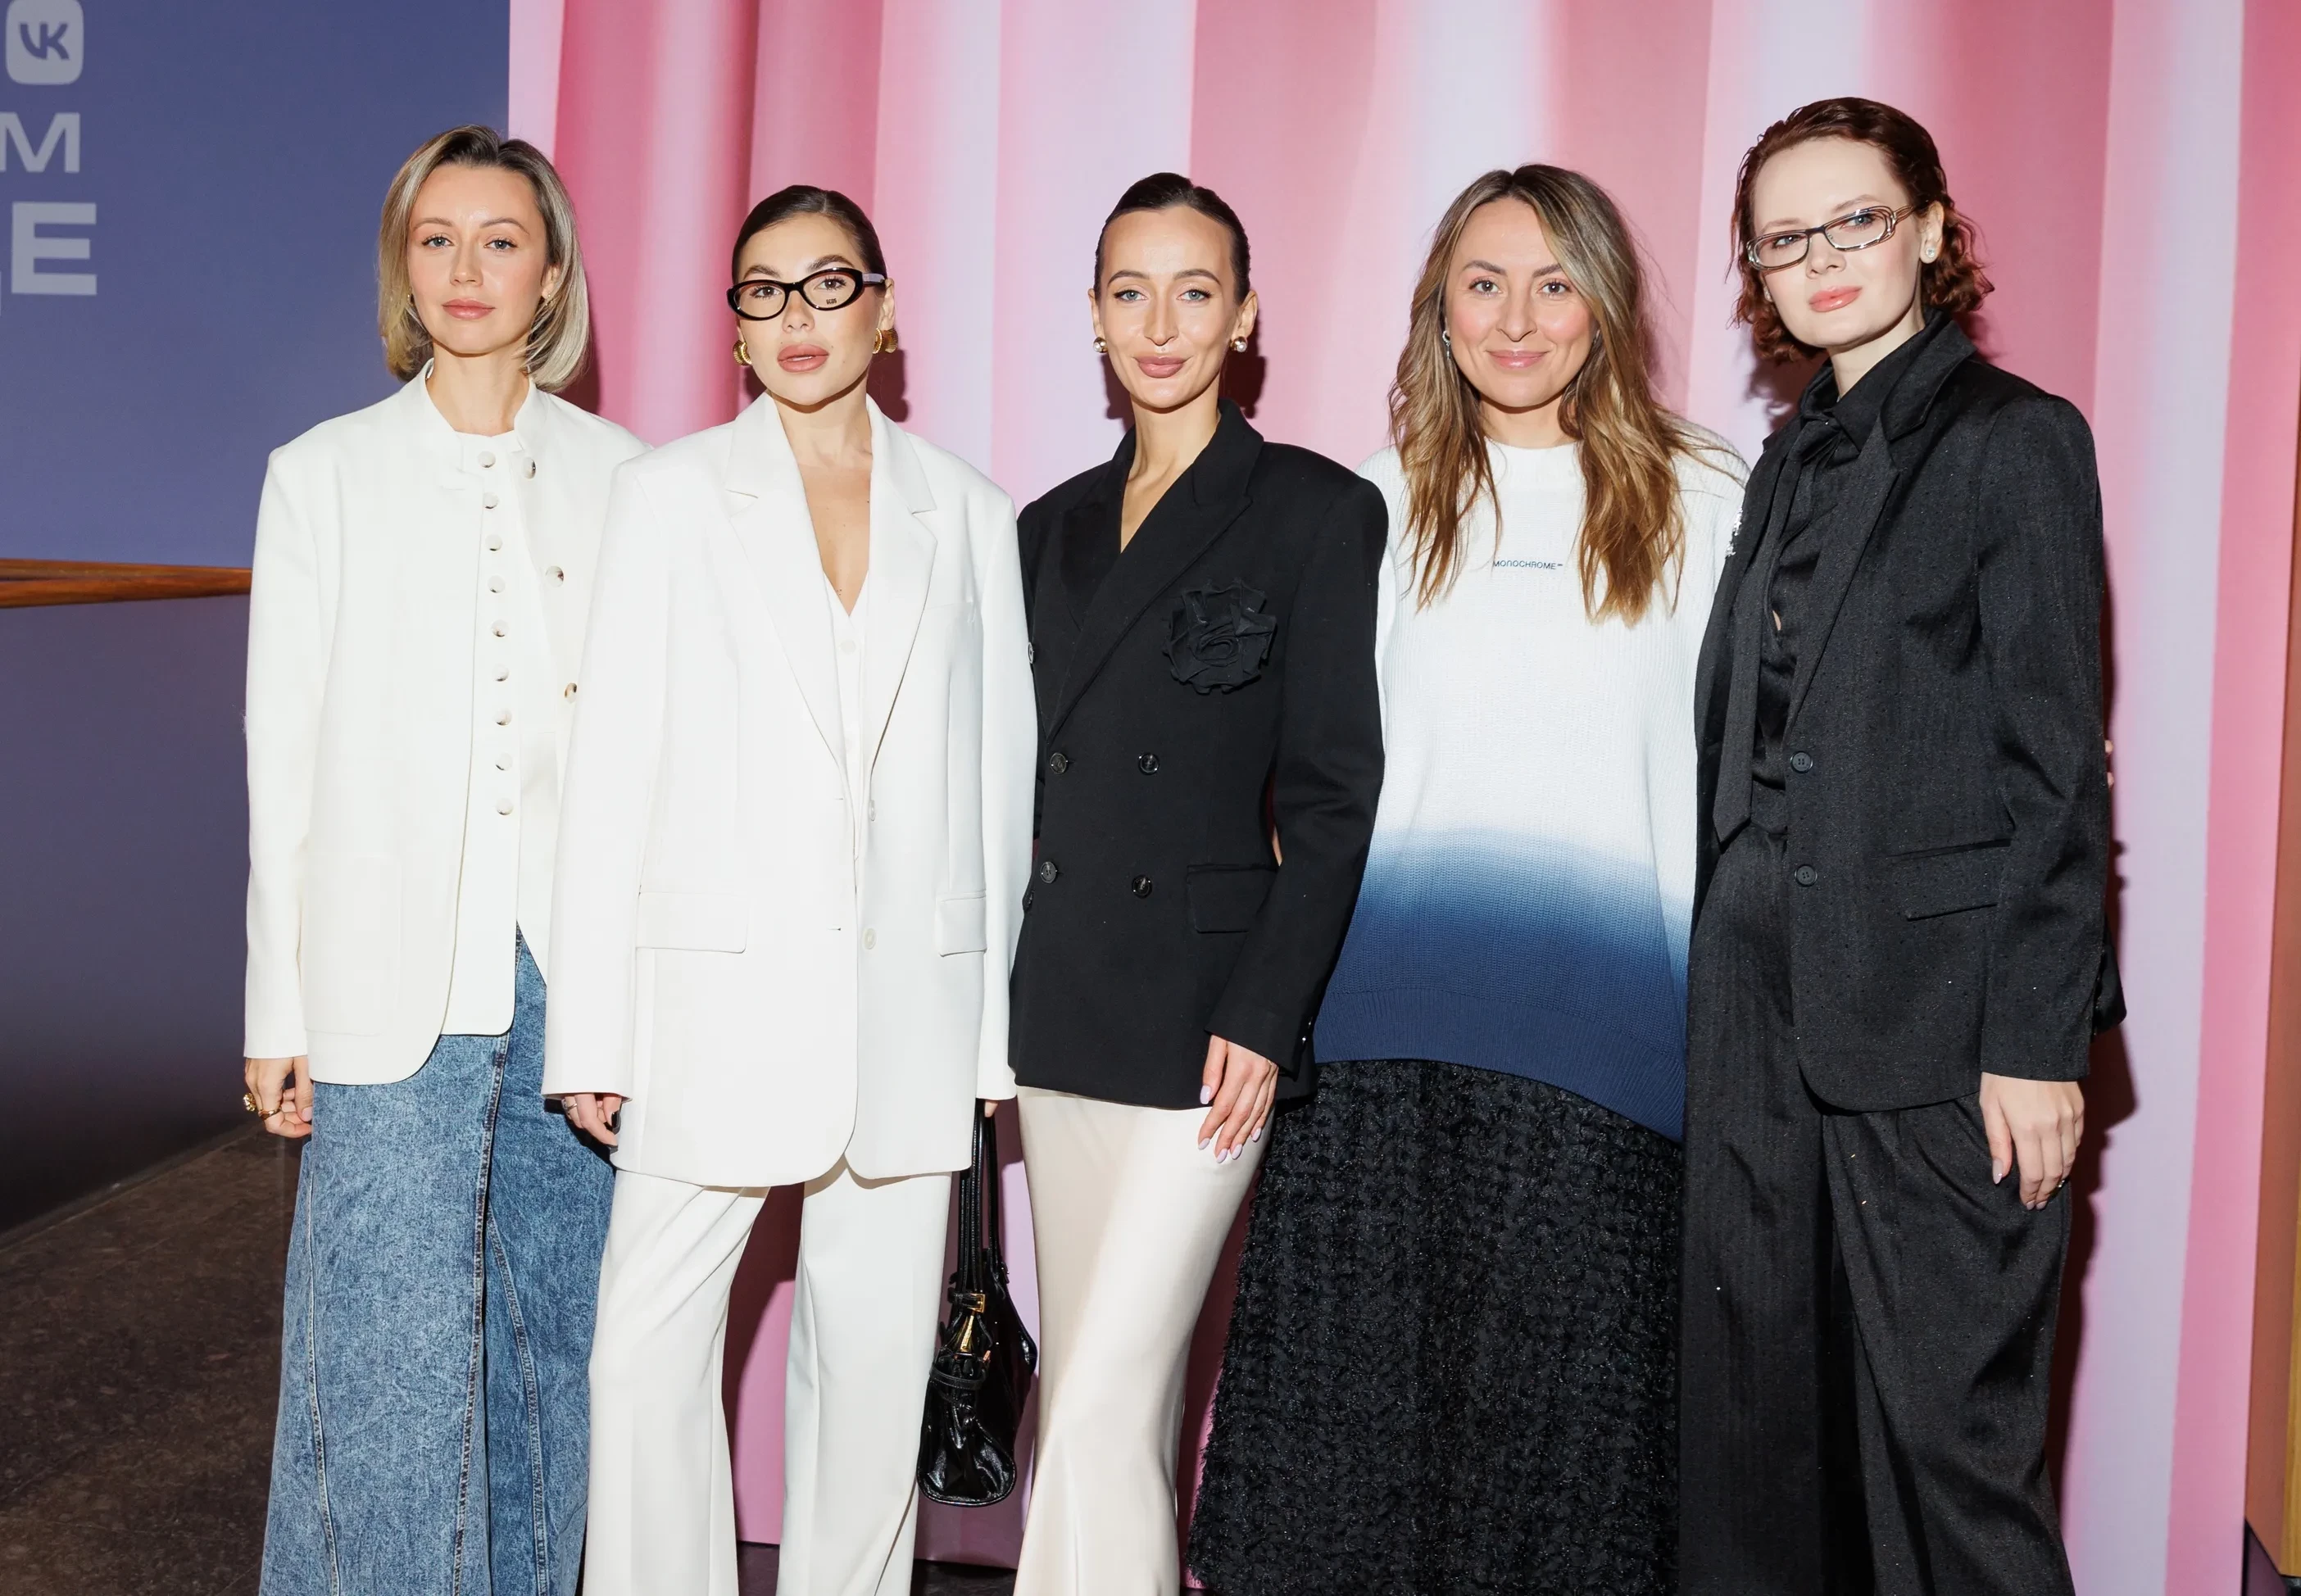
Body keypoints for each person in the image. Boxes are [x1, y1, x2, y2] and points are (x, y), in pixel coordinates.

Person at [1189, 166, 1745, 1595]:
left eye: (1555, 284)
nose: (1516, 319)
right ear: (1439, 308)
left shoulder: (1709, 499)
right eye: (1483, 283)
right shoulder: (1369, 509)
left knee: (1567, 1487)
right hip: (1374, 1055)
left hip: (1612, 1056)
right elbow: (1297, 782)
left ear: (1604, 306)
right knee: (1346, 1473)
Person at [543, 184, 1034, 1596]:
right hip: (709, 1003)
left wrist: (985, 1035)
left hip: (908, 1010)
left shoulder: (969, 512)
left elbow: (997, 784)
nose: (798, 315)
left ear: (886, 309)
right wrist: (592, 1030)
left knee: (871, 1382)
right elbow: (611, 774)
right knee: (643, 1363)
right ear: (737, 328)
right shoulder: (669, 495)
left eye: (830, 284)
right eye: (764, 290)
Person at [1679, 97, 2106, 1596]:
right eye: (1784, 239)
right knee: (1759, 1437)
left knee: (1951, 1453)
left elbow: (2059, 773)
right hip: (1752, 1002)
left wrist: (2037, 1045)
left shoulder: (2016, 443)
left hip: (1936, 1022)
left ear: (1929, 229)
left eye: (1854, 220)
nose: (1822, 259)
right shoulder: (1785, 459)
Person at [242, 125, 646, 1594]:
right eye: (437, 239)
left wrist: (637, 998)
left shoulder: (627, 477)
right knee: (384, 1363)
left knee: (555, 1346)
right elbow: (282, 759)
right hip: (383, 976)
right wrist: (275, 1010)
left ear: (552, 275)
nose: (467, 269)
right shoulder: (323, 476)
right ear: (402, 269)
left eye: (501, 240)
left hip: (570, 982)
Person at [1005, 173, 1386, 1596]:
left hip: (1211, 1031)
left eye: (1194, 291)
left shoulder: (1316, 511)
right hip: (1061, 1012)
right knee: (1103, 1402)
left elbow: (1336, 798)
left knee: (1100, 1404)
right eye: (1130, 291)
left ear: (1246, 317)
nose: (1160, 324)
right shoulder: (1043, 529)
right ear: (1093, 315)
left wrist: (1267, 1011)